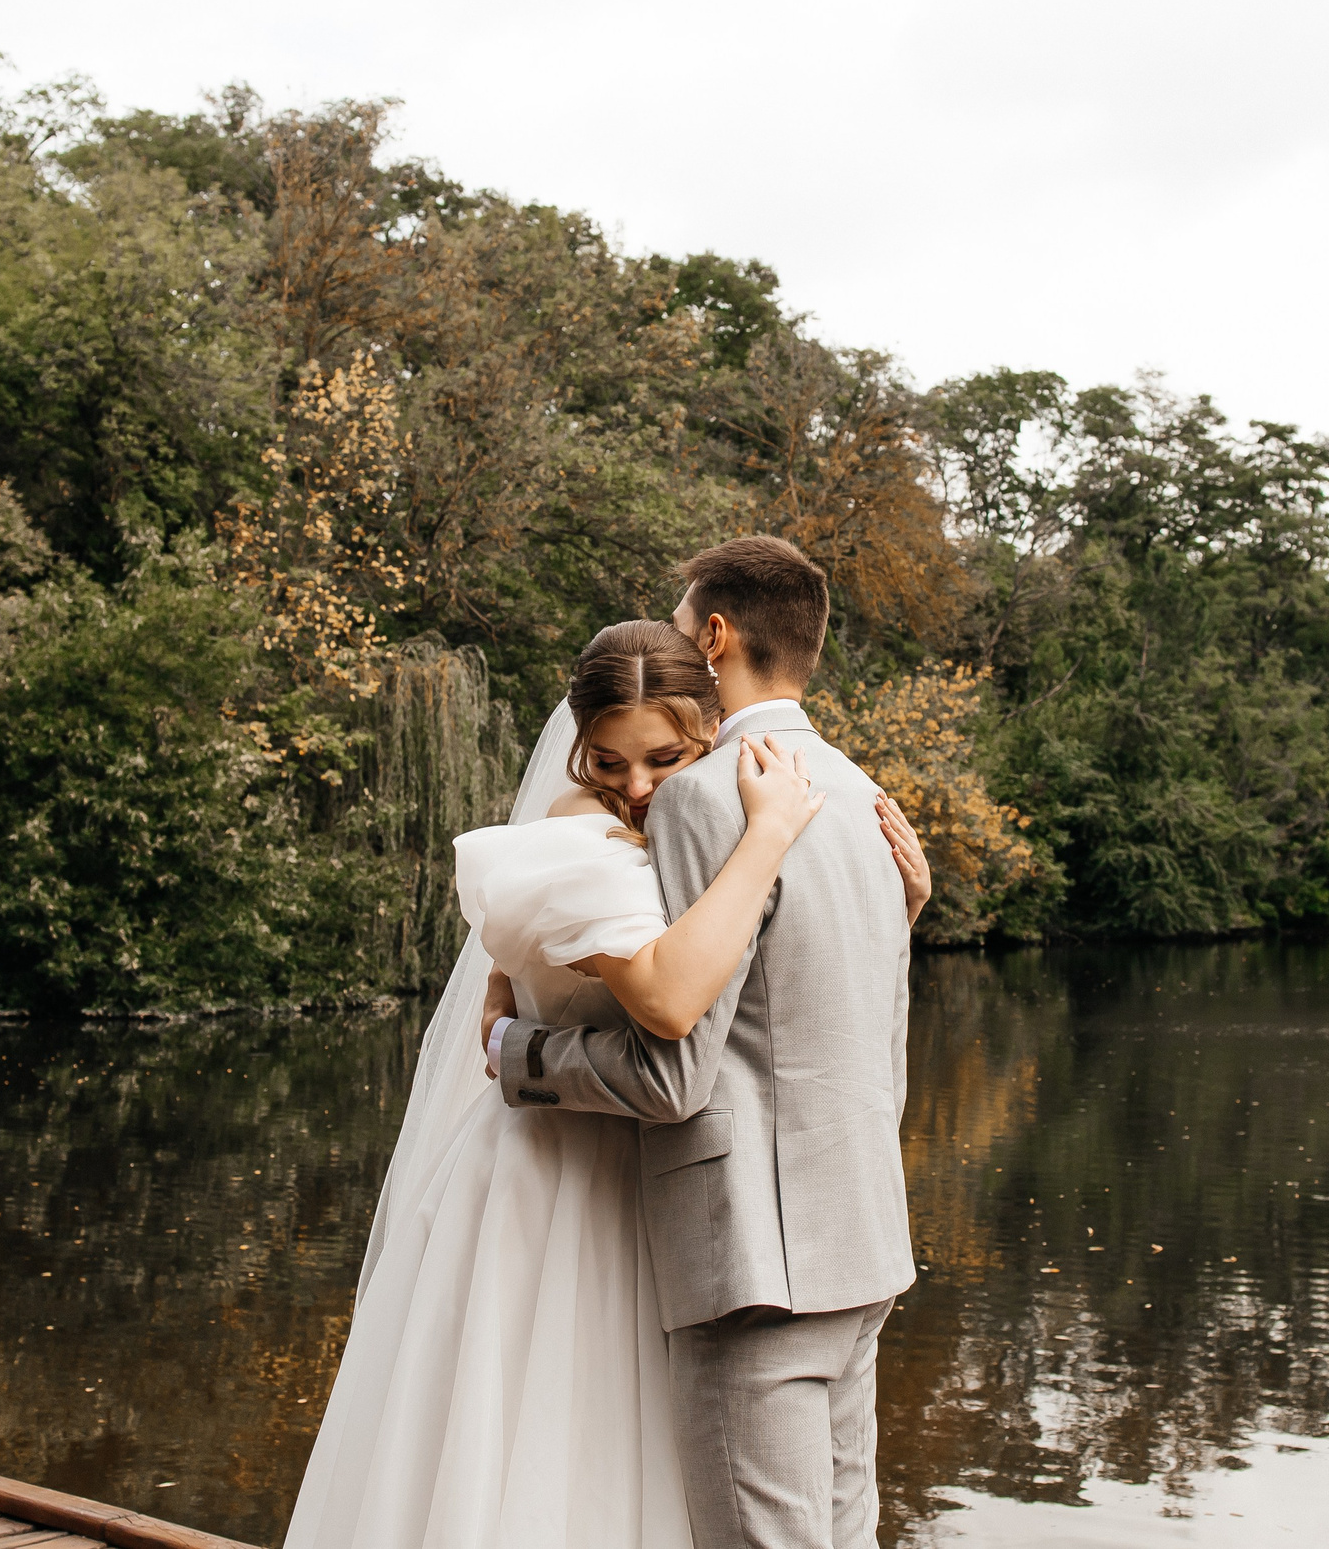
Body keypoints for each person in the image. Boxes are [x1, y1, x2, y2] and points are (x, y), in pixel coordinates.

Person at [281, 599, 928, 1549]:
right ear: (578, 748)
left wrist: (893, 912)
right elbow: (670, 1004)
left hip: (667, 1189)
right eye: (611, 761)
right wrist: (766, 838)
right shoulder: (583, 838)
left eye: (663, 758)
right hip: (560, 1180)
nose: (638, 787)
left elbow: (766, 1002)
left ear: (707, 725)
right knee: (538, 1454)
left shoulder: (697, 828)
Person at [489, 536, 920, 1549]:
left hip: (754, 1257)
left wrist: (516, 1051)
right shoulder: (859, 791)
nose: (672, 641)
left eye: (680, 627)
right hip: (861, 1243)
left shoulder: (700, 796)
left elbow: (674, 1074)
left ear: (714, 634)